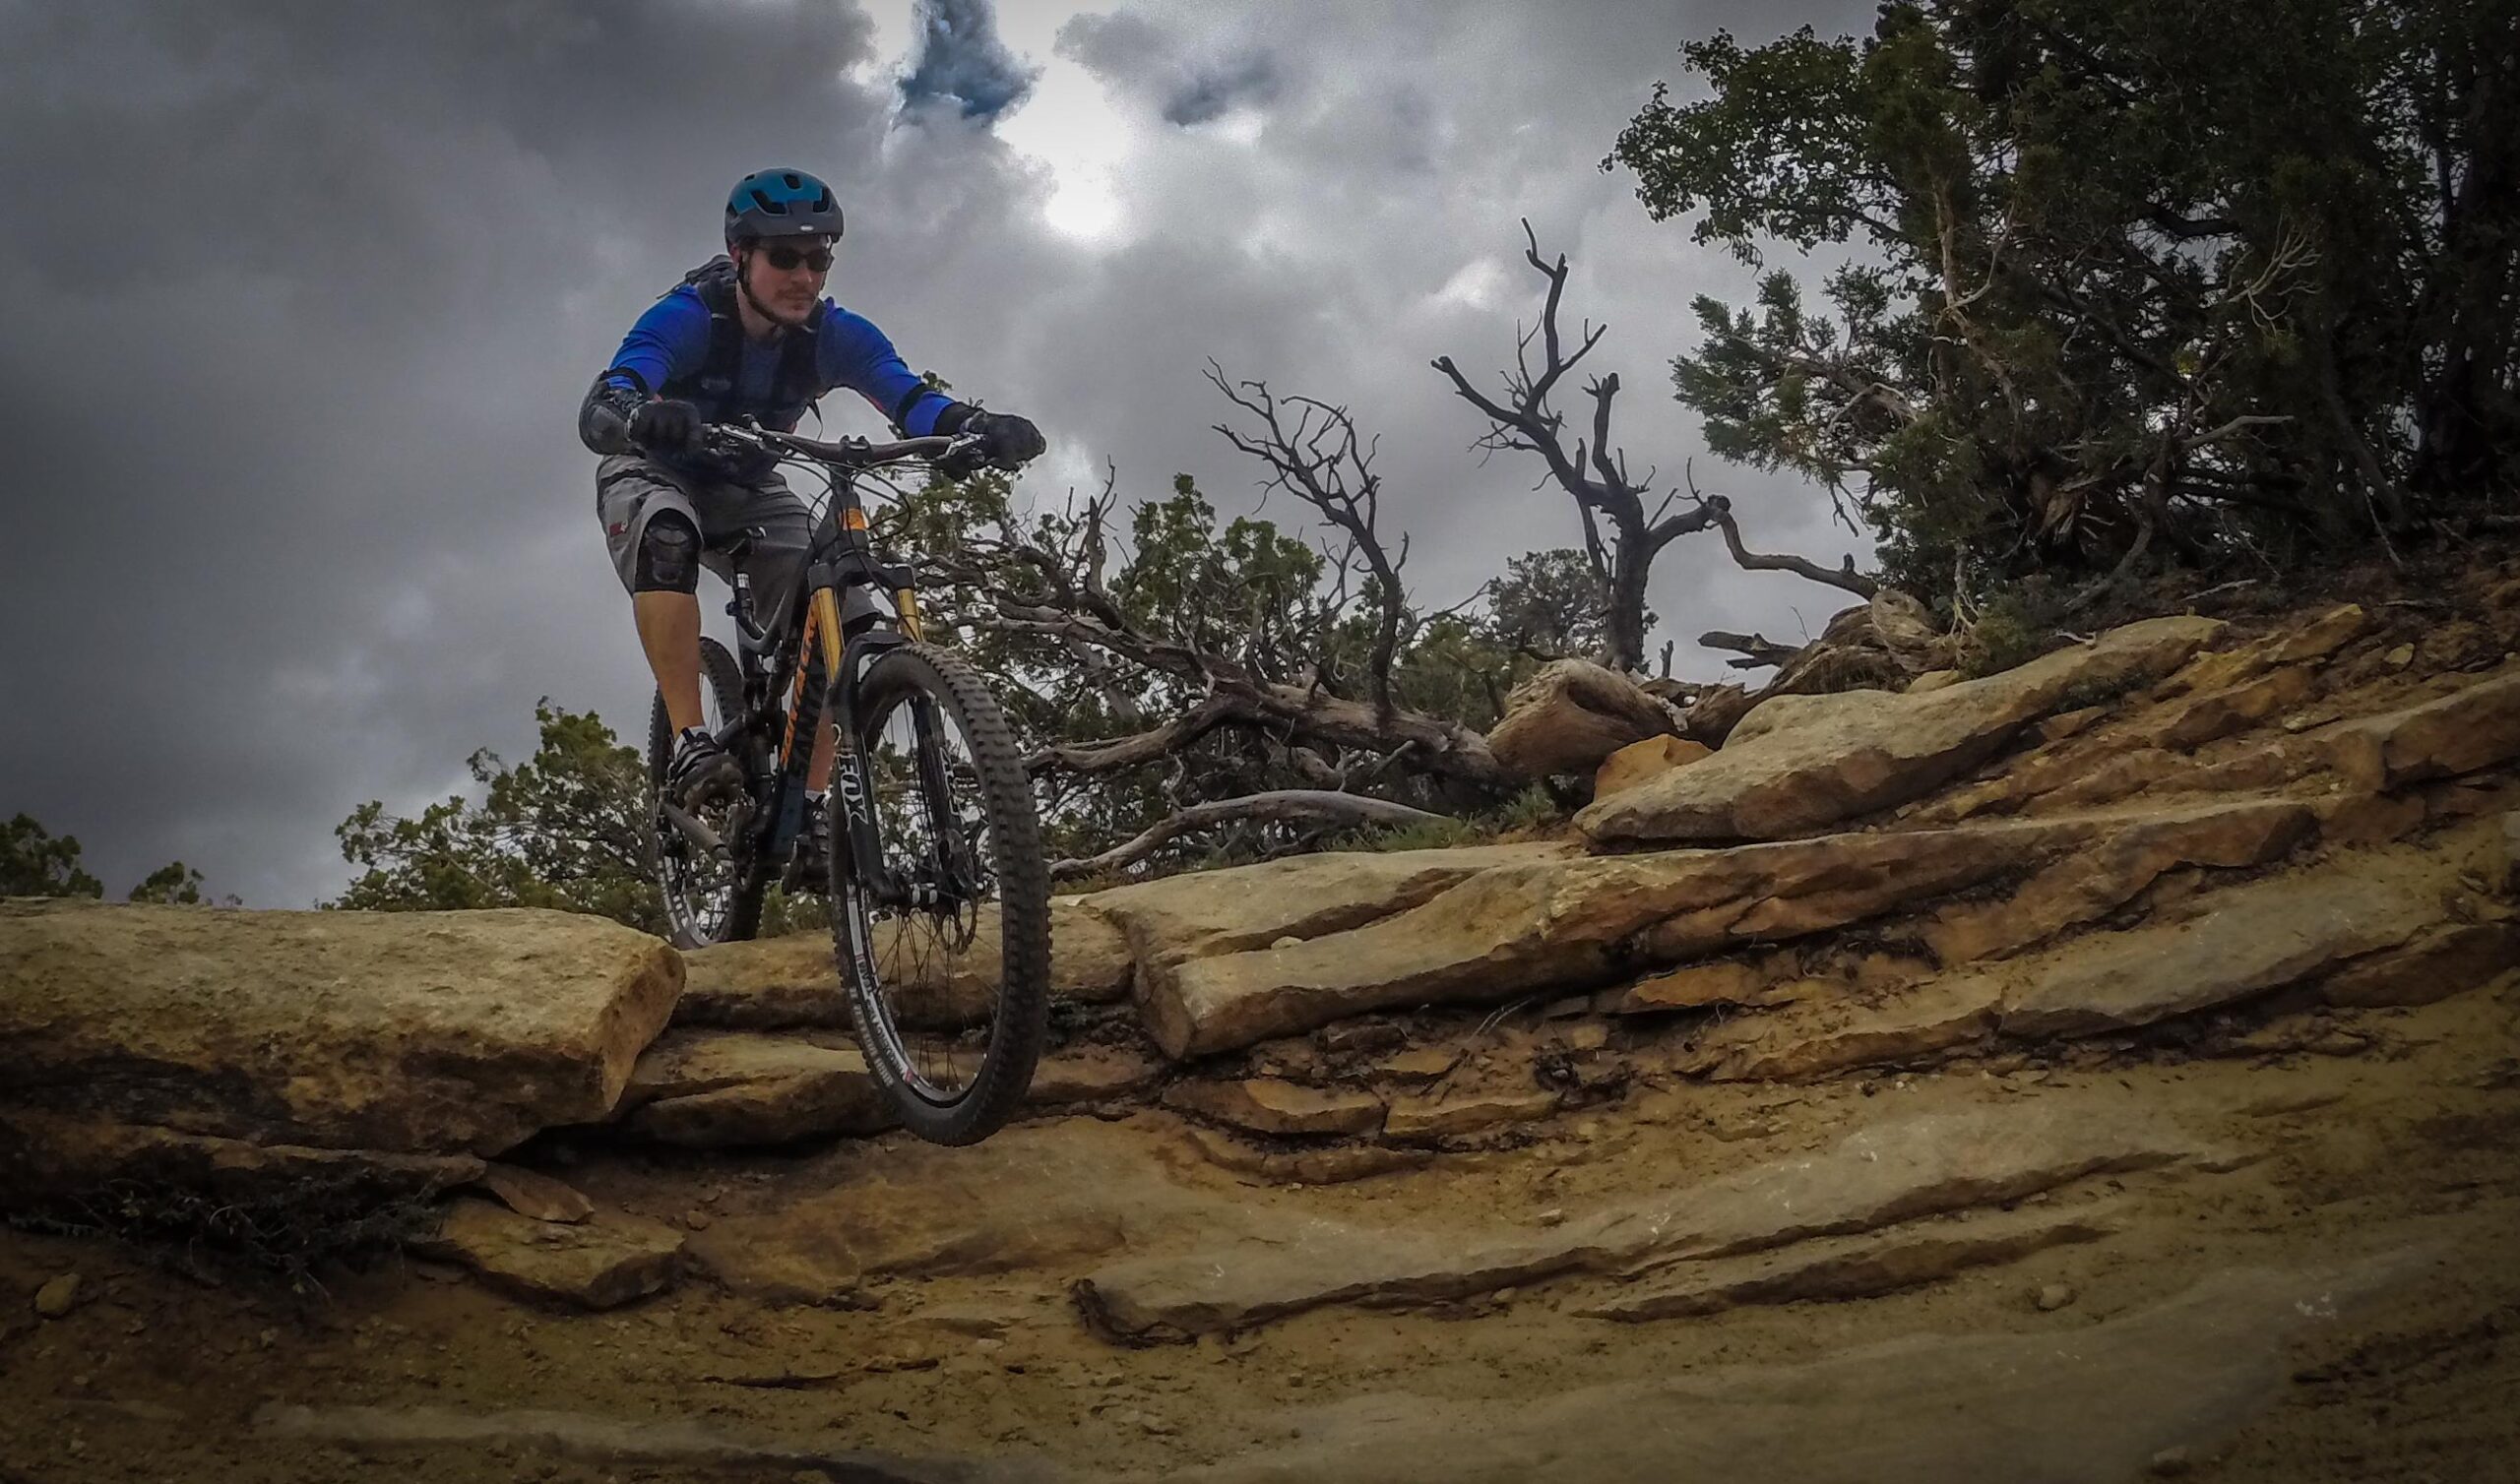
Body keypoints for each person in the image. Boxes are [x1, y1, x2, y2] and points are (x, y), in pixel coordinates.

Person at [578, 167, 1044, 879]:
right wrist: (641, 411)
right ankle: (693, 738)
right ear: (741, 257)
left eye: (819, 258)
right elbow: (612, 394)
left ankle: (813, 812)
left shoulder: (836, 335)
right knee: (667, 537)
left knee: (850, 622)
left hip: (750, 482)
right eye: (784, 258)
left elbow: (907, 396)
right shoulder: (686, 317)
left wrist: (974, 427)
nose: (804, 275)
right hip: (654, 468)